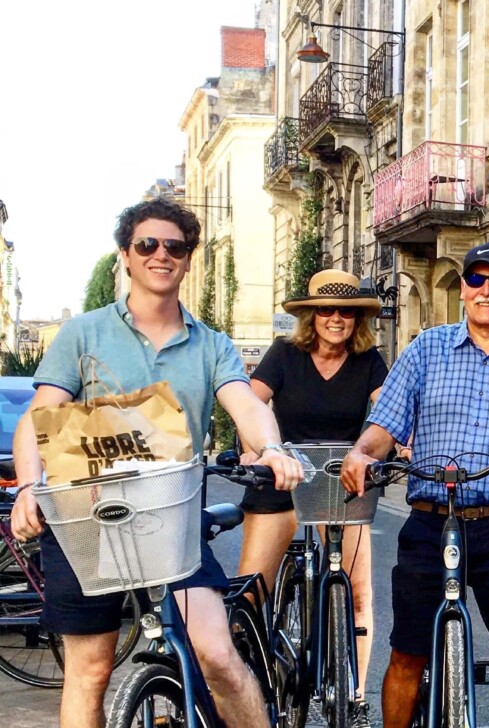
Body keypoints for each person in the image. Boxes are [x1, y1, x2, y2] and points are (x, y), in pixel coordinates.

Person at [7, 198, 304, 728]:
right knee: (90, 672)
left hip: (172, 523)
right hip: (88, 521)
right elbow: (40, 417)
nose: (160, 255)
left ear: (188, 258)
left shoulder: (212, 344)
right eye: (147, 244)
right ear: (126, 254)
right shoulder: (84, 334)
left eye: (175, 246)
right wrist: (30, 487)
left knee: (217, 655)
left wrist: (273, 450)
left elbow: (245, 403)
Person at [339, 242, 489, 728]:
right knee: (407, 654)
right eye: (476, 280)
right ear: (463, 289)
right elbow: (386, 424)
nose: (486, 290)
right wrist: (363, 452)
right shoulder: (425, 348)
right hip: (430, 521)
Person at [236, 269, 389, 727]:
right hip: (281, 477)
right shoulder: (284, 355)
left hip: (340, 481)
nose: (336, 318)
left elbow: (389, 411)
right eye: (326, 309)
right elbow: (249, 402)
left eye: (346, 311)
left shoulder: (369, 360)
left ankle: (356, 696)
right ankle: (243, 677)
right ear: (311, 315)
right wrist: (255, 450)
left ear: (356, 319)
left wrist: (403, 443)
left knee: (358, 591)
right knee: (248, 596)